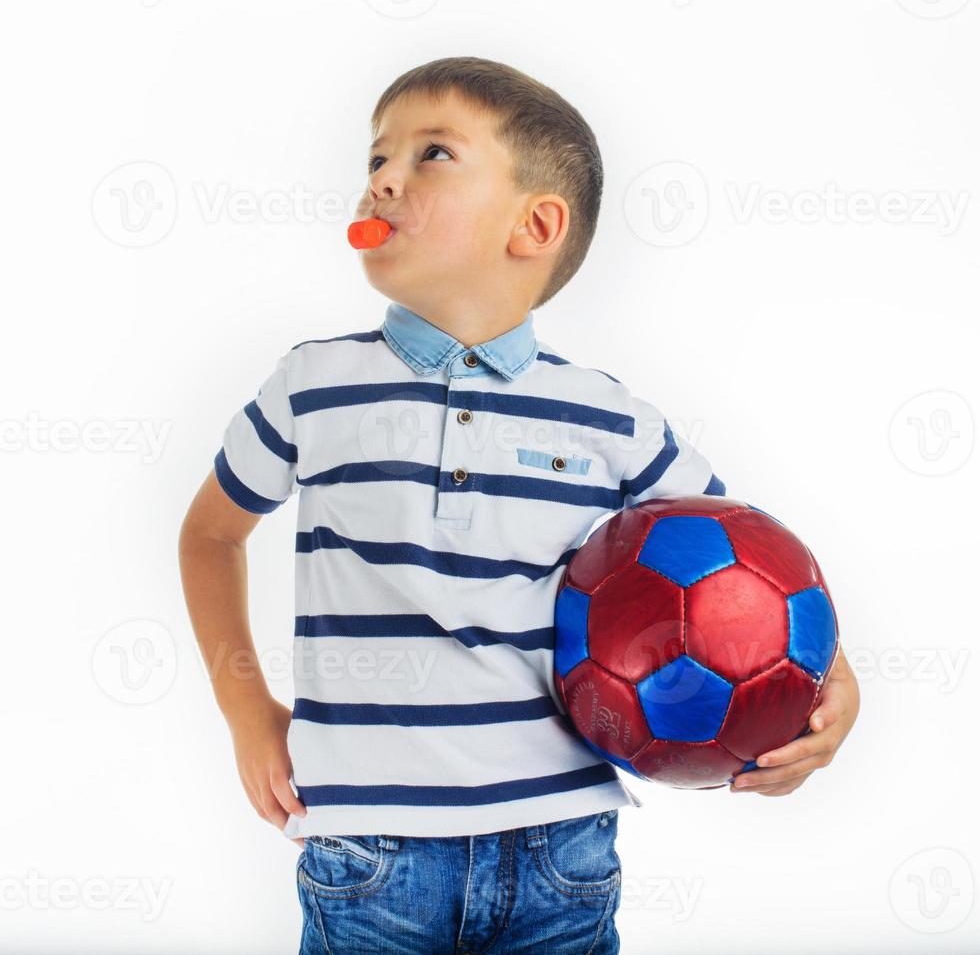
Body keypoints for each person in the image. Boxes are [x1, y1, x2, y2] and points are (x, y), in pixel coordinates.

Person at [178, 55, 860, 954]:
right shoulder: (312, 387)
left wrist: (835, 684)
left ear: (535, 225)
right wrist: (247, 712)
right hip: (367, 850)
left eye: (432, 155)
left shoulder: (607, 416)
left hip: (562, 848)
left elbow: (749, 571)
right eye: (376, 157)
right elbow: (211, 535)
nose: (382, 177)